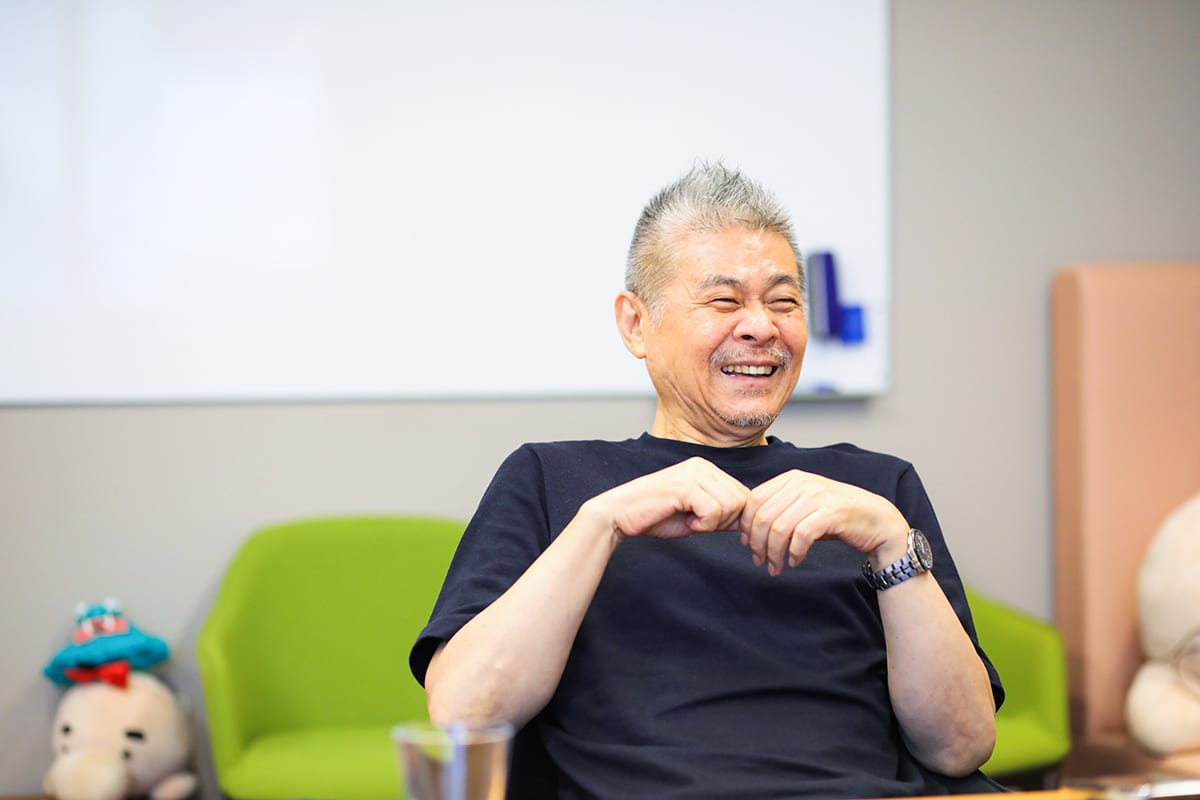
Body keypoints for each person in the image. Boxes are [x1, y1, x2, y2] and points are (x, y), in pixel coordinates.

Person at [409, 163, 1002, 799]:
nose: (761, 326)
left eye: (783, 302)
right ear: (636, 324)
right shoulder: (551, 479)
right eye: (724, 300)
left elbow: (960, 745)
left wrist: (890, 541)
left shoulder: (875, 489)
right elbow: (465, 713)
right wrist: (601, 524)